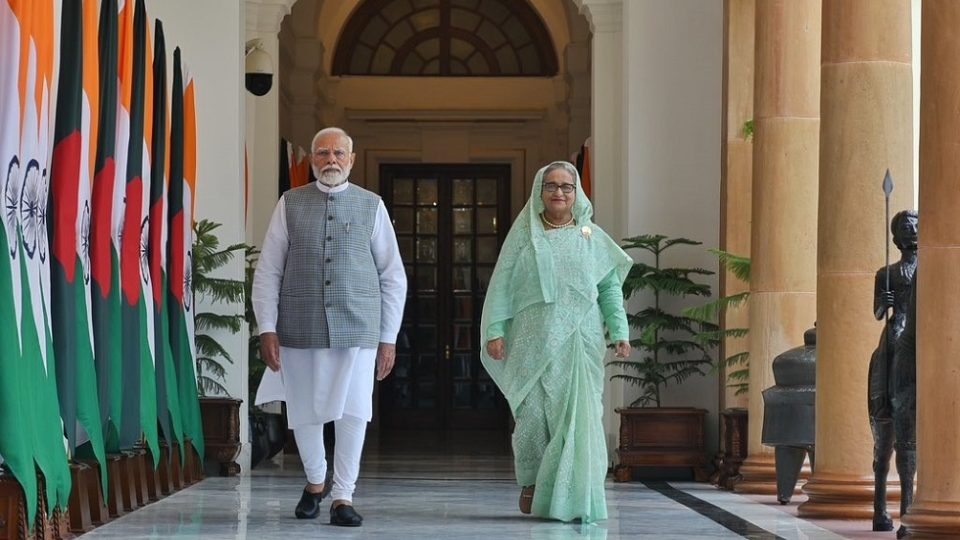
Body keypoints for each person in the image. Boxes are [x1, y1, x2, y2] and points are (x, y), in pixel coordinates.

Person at [252, 127, 406, 527]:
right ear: (312, 159)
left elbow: (392, 276)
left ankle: (343, 496)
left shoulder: (372, 205)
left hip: (358, 329)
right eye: (323, 153)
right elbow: (268, 270)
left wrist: (388, 337)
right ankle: (316, 480)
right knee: (304, 411)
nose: (331, 160)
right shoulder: (290, 203)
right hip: (299, 327)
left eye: (339, 153)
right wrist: (267, 327)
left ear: (351, 160)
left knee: (353, 412)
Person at [480, 160, 632, 523]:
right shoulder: (523, 236)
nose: (559, 192)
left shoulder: (592, 237)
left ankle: (575, 497)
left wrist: (620, 330)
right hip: (530, 339)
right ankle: (533, 482)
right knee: (531, 415)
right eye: (551, 185)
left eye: (566, 186)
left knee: (577, 418)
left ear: (577, 193)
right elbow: (502, 284)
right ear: (539, 191)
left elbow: (609, 289)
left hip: (579, 339)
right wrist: (495, 330)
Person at [867, 210, 917, 533]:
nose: (912, 231)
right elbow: (877, 312)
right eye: (906, 227)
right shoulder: (887, 273)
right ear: (896, 237)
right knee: (891, 349)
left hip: (919, 331)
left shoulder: (929, 269)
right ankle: (884, 400)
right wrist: (883, 300)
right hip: (898, 329)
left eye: (915, 226)